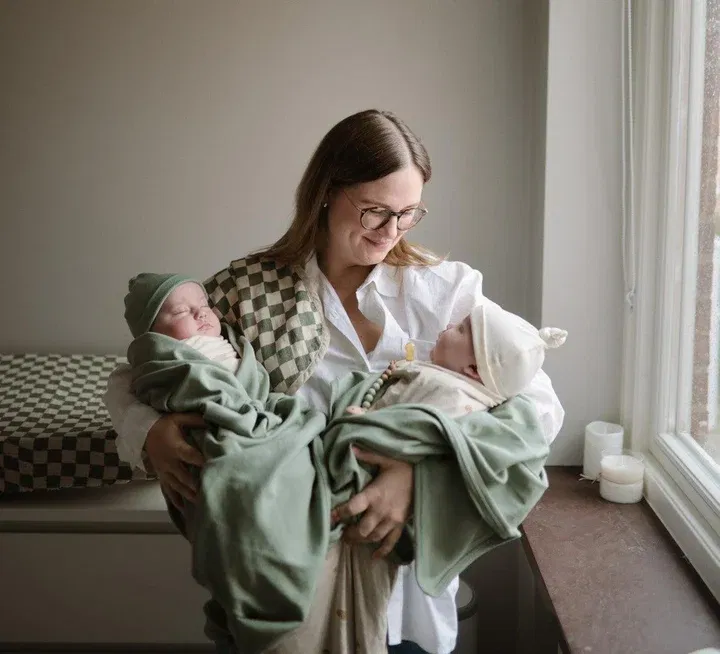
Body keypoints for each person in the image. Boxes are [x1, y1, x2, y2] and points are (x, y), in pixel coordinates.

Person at [104, 108, 564, 654]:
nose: (390, 232)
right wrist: (150, 433)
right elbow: (141, 369)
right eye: (375, 211)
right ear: (325, 193)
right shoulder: (245, 292)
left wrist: (420, 474)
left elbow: (538, 407)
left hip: (405, 604)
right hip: (285, 580)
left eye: (408, 214)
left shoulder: (445, 293)